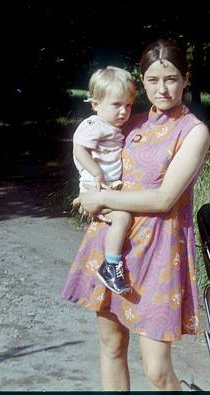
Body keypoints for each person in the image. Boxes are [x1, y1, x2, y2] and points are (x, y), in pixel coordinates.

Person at [61, 39, 210, 391]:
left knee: (157, 371)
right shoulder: (129, 123)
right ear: (142, 81)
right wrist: (89, 192)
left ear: (186, 79)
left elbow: (164, 199)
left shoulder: (193, 132)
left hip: (160, 250)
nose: (163, 88)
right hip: (115, 245)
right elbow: (90, 154)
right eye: (153, 79)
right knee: (112, 347)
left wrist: (102, 197)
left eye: (171, 78)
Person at [72, 66, 136, 294]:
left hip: (105, 186)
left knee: (123, 216)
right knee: (122, 217)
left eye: (128, 105)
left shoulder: (113, 126)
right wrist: (97, 174)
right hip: (95, 184)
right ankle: (111, 264)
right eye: (116, 105)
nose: (123, 111)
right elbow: (80, 150)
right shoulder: (94, 125)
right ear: (95, 104)